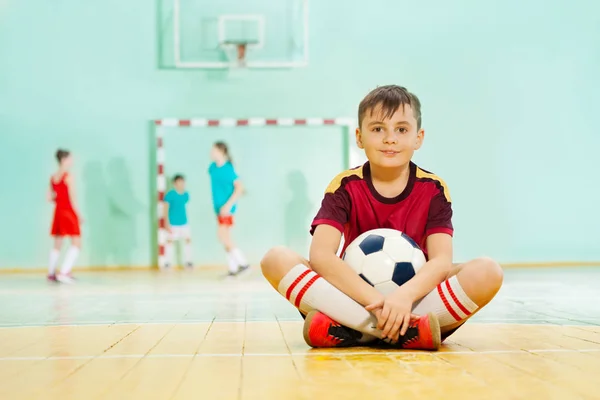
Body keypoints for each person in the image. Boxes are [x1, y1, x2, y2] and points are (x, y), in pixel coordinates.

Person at [260, 85, 504, 350]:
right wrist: (379, 301)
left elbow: (441, 260)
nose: (390, 139)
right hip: (354, 297)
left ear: (418, 138)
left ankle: (354, 331)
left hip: (414, 299)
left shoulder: (433, 189)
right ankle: (403, 332)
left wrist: (403, 297)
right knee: (275, 259)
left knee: (487, 272)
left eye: (401, 129)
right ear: (360, 137)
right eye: (378, 129)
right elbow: (321, 255)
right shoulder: (345, 186)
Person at [208, 142, 249, 276]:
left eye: (214, 150)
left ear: (221, 151)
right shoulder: (212, 168)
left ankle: (243, 264)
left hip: (227, 210)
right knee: (226, 238)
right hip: (218, 209)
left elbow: (239, 188)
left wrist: (228, 206)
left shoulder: (228, 168)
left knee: (222, 236)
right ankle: (232, 269)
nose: (211, 152)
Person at [47, 149, 82, 284]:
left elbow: (49, 197)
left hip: (58, 212)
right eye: (70, 159)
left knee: (57, 243)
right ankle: (64, 272)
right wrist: (78, 214)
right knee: (77, 243)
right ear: (63, 160)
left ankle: (51, 273)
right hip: (68, 212)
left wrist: (58, 199)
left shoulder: (53, 177)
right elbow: (73, 198)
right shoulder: (68, 176)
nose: (71, 161)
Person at [163, 174, 193, 269]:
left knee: (188, 240)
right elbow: (165, 208)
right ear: (174, 183)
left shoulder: (186, 195)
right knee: (170, 241)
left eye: (182, 182)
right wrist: (166, 222)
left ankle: (188, 262)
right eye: (179, 182)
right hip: (173, 223)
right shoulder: (170, 194)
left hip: (184, 222)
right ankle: (167, 263)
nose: (181, 184)